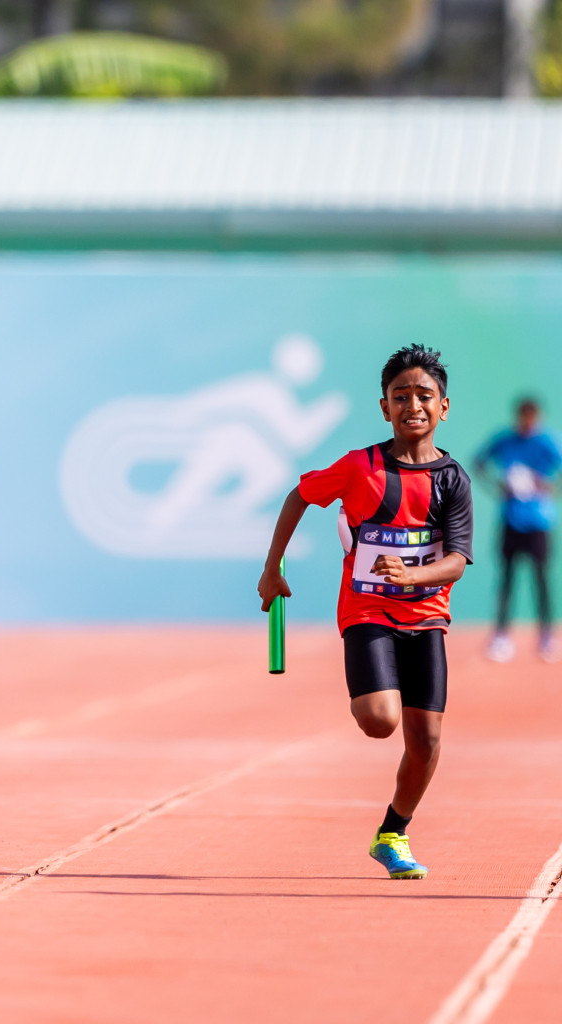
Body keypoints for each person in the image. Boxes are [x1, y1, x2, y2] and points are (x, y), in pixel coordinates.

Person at [257, 345, 473, 880]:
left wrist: (414, 575)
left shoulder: (452, 480)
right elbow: (298, 496)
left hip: (426, 618)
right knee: (380, 722)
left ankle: (393, 832)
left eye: (425, 396)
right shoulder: (360, 467)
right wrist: (272, 567)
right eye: (401, 397)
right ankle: (371, 692)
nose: (413, 406)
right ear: (384, 407)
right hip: (368, 612)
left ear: (444, 407)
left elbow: (456, 563)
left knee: (427, 743)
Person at [475, 398, 562, 663]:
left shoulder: (547, 442)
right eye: (524, 417)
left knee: (541, 581)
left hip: (538, 522)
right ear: (518, 417)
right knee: (507, 580)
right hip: (511, 520)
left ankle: (546, 636)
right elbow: (479, 463)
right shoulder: (505, 440)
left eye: (532, 418)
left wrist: (549, 487)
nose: (528, 423)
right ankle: (501, 636)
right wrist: (497, 486)